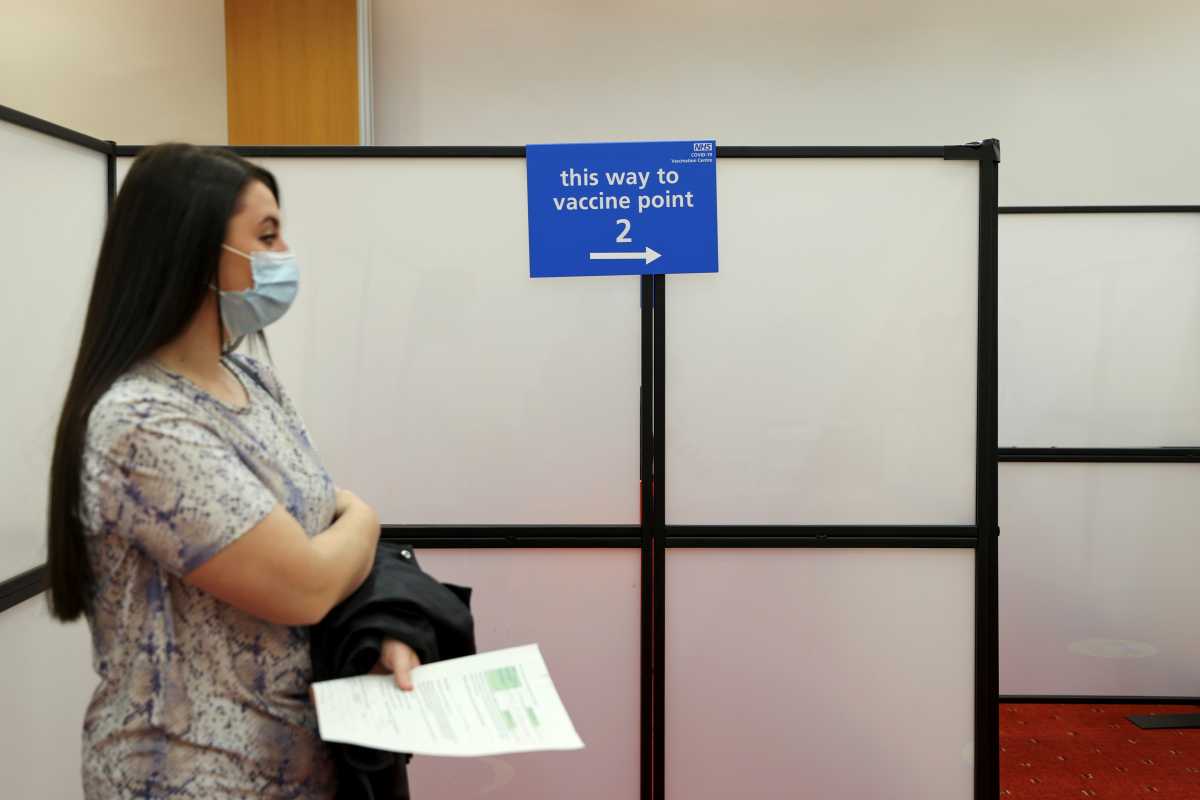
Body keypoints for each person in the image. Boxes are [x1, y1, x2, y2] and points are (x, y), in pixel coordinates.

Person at [45, 143, 420, 798]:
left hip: (296, 764)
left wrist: (377, 622)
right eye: (266, 235)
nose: (284, 255)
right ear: (193, 250)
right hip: (192, 776)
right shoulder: (142, 422)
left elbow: (318, 523)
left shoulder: (247, 373)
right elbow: (305, 582)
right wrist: (365, 516)